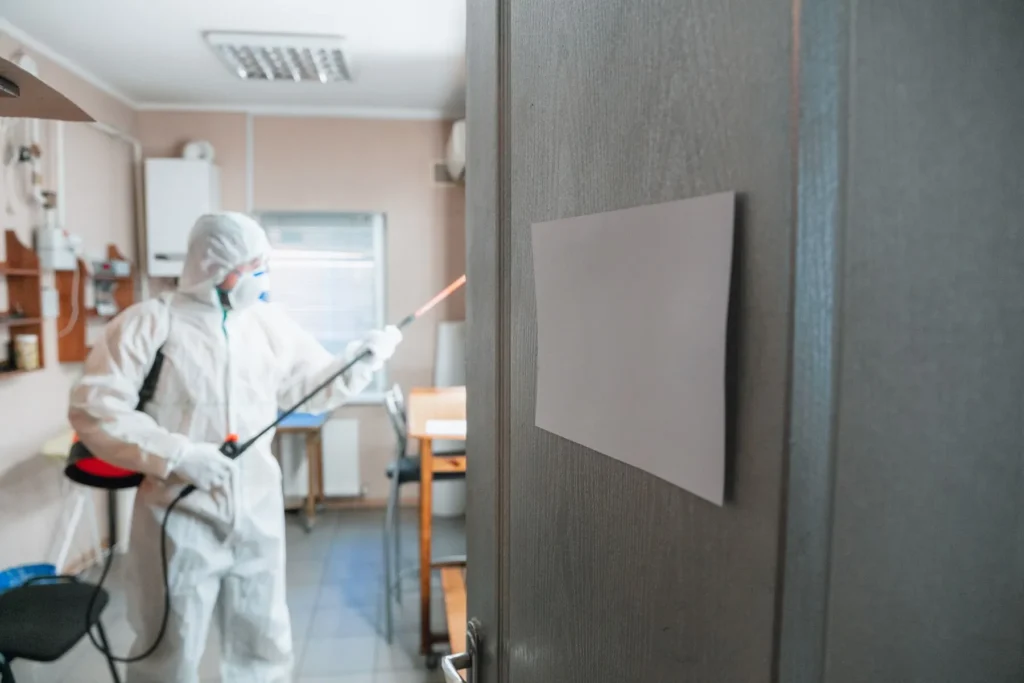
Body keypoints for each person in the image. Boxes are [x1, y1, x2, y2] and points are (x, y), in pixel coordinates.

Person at [68, 212, 402, 683]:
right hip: (178, 517)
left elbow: (308, 388)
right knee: (169, 649)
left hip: (258, 512)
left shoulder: (266, 325)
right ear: (214, 265)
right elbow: (95, 410)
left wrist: (358, 362)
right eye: (252, 265)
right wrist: (179, 455)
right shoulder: (150, 324)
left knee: (263, 644)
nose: (260, 275)